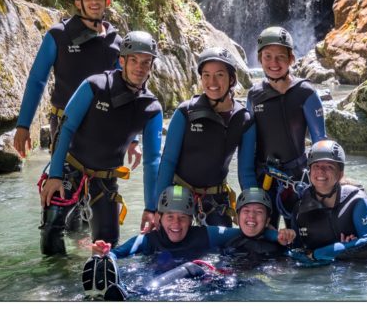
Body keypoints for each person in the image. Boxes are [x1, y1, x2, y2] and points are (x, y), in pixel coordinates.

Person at [38, 30, 163, 256]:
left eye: (146, 62)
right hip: (69, 171)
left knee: (107, 248)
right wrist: (55, 175)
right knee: (51, 227)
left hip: (105, 182)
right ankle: (53, 284)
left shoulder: (151, 108)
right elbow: (65, 129)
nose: (139, 67)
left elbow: (153, 161)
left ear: (152, 66)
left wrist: (151, 208)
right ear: (122, 60)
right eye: (133, 60)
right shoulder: (94, 85)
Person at [13, 0, 140, 165]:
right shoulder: (58, 35)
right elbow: (37, 80)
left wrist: (134, 139)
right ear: (78, 2)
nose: (94, 1)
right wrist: (23, 125)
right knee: (63, 187)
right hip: (66, 126)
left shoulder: (117, 42)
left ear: (108, 1)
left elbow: (124, 91)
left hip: (104, 126)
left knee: (103, 188)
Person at [84, 185, 294, 299]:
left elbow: (247, 232)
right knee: (132, 273)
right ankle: (112, 289)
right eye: (170, 217)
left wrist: (277, 236)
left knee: (199, 269)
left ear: (191, 219)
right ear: (158, 218)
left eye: (183, 217)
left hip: (185, 284)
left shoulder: (205, 234)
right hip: (153, 278)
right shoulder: (148, 239)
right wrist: (103, 254)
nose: (176, 223)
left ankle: (127, 296)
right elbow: (118, 253)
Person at [155, 47, 257, 227]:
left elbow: (246, 172)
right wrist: (156, 208)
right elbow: (168, 161)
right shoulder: (185, 112)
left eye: (219, 75)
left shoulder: (244, 119)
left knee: (221, 253)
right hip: (179, 192)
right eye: (206, 75)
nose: (212, 82)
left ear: (232, 79)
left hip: (216, 198)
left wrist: (256, 207)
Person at [247, 26, 327, 228]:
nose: (274, 63)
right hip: (263, 178)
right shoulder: (254, 95)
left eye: (280, 57)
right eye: (267, 56)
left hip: (297, 178)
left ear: (291, 59)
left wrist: (325, 181)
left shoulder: (305, 93)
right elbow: (248, 144)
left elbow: (320, 143)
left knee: (300, 238)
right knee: (265, 239)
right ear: (259, 59)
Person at [290, 139, 367, 261]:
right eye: (316, 165)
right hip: (317, 273)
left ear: (340, 174)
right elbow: (296, 251)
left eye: (329, 166)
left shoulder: (357, 201)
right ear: (310, 171)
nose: (321, 171)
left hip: (356, 271)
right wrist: (346, 247)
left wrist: (318, 254)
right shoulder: (300, 208)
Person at [222, 187, 295, 260]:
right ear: (237, 218)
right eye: (246, 210)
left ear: (267, 221)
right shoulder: (230, 246)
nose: (251, 215)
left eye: (259, 211)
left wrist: (289, 238)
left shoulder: (280, 245)